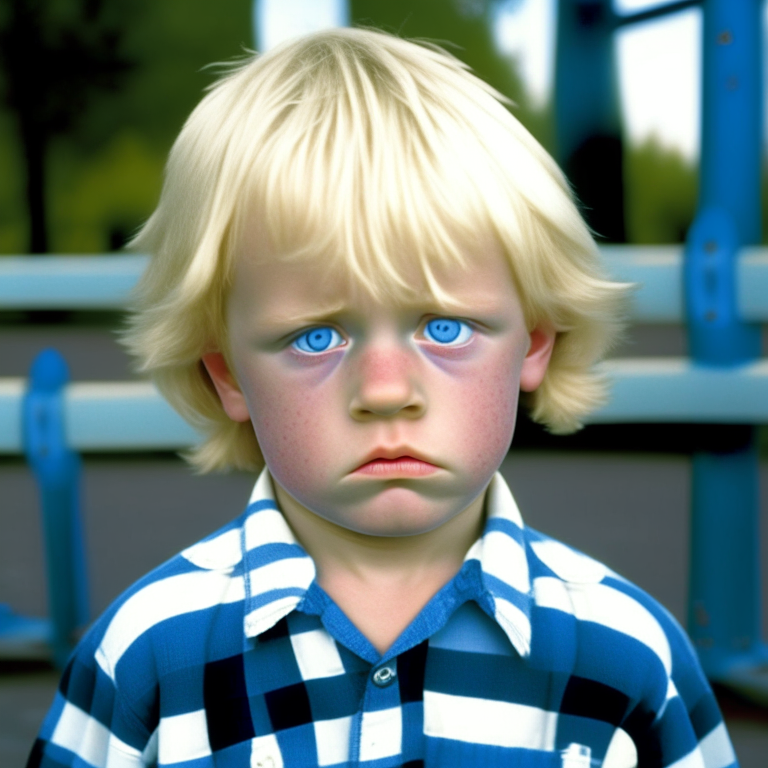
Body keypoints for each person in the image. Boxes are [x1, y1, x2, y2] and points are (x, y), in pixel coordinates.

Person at [28, 27, 738, 768]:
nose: (386, 391)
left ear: (532, 341)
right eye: (316, 337)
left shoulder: (626, 658)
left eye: (443, 326)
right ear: (228, 373)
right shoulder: (146, 655)